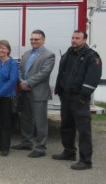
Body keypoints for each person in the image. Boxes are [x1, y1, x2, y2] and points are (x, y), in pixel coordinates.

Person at [52, 30, 102, 170]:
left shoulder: (91, 56)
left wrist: (83, 97)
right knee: (66, 126)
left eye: (77, 38)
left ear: (84, 39)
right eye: (73, 37)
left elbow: (93, 78)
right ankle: (69, 152)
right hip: (66, 97)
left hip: (79, 98)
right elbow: (62, 73)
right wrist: (60, 90)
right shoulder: (69, 53)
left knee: (83, 130)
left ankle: (86, 161)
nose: (74, 40)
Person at [11, 30, 55, 158]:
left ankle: (41, 147)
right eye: (32, 39)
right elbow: (19, 69)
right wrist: (21, 81)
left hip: (38, 93)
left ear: (43, 40)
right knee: (25, 119)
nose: (33, 41)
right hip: (25, 92)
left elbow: (44, 73)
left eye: (36, 39)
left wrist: (28, 83)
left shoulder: (49, 55)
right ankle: (26, 142)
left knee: (40, 121)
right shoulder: (27, 54)